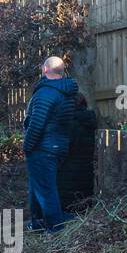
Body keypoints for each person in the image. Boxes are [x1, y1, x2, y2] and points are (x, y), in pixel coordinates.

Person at [23, 55, 79, 230]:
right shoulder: (66, 91)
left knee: (45, 190)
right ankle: (38, 223)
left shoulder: (46, 92)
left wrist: (27, 146)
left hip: (43, 148)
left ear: (45, 69)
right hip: (58, 145)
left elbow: (37, 124)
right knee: (37, 187)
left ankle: (56, 227)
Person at [58, 92, 97, 212]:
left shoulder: (68, 123)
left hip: (69, 169)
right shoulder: (91, 120)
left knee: (68, 198)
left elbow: (64, 148)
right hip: (88, 167)